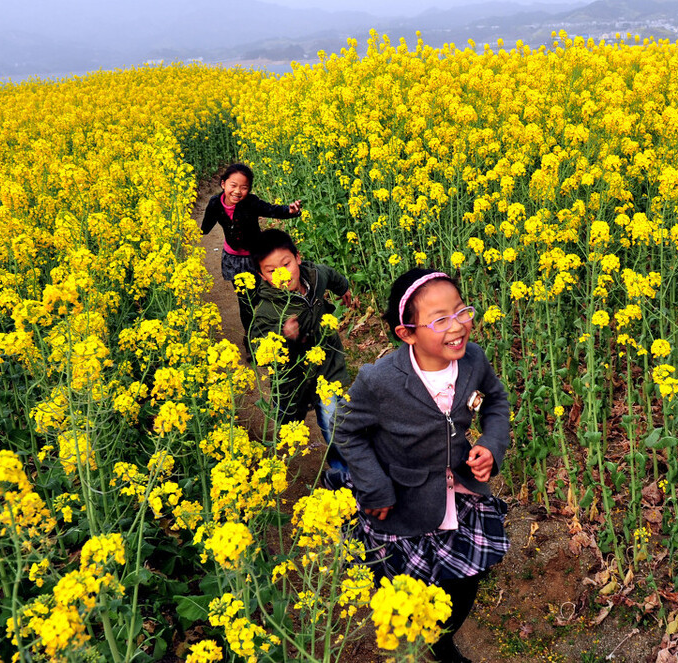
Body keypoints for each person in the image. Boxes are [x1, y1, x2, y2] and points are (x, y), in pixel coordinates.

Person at [334, 268, 510, 663]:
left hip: (457, 490)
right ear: (407, 333)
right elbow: (346, 433)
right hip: (400, 500)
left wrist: (491, 445)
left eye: (461, 311)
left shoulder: (473, 361)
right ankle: (411, 645)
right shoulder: (379, 381)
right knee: (401, 591)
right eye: (440, 319)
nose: (458, 326)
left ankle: (441, 639)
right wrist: (374, 486)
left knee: (467, 579)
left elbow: (496, 402)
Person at [248, 229, 354, 479]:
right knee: (287, 419)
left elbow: (332, 276)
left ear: (297, 258)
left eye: (285, 264)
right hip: (291, 379)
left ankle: (344, 474)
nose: (282, 274)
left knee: (334, 422)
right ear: (262, 276)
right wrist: (281, 337)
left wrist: (344, 289)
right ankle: (281, 459)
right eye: (272, 271)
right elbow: (257, 345)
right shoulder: (266, 310)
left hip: (327, 366)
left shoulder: (315, 276)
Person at [199, 163, 301, 342]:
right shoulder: (215, 203)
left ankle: (278, 332)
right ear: (223, 184)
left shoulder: (251, 203)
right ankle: (251, 339)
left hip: (257, 258)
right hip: (233, 260)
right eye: (233, 185)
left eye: (244, 187)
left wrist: (289, 210)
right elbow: (205, 227)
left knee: (265, 295)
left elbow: (270, 209)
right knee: (245, 301)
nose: (237, 191)